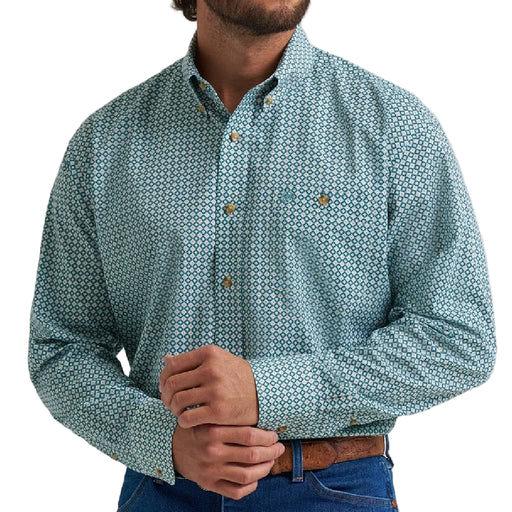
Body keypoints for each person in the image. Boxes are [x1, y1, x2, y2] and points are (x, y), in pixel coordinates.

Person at [27, 0, 497, 510]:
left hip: (334, 490)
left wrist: (267, 390)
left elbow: (459, 337)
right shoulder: (104, 144)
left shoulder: (395, 128)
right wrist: (164, 441)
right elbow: (61, 348)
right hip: (162, 488)